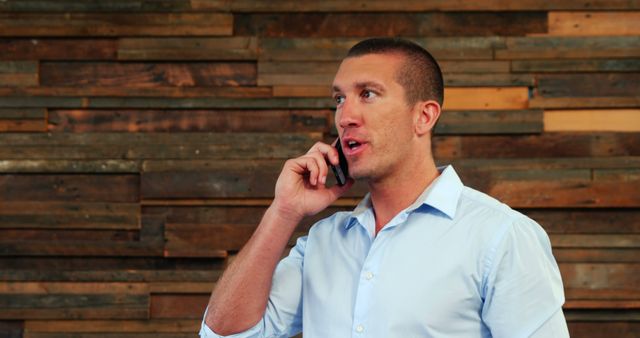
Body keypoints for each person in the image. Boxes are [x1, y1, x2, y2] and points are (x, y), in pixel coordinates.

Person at [199, 38, 569, 337]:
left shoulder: (501, 237)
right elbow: (224, 334)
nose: (345, 117)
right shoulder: (323, 243)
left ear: (423, 116)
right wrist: (283, 212)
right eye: (339, 98)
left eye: (368, 94)